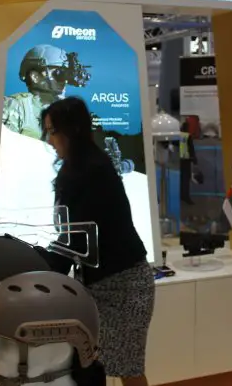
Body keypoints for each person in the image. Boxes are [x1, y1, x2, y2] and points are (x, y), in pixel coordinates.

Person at [36, 96, 155, 386]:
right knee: (91, 366)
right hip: (97, 285)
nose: (50, 140)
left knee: (127, 367)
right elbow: (72, 234)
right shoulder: (77, 169)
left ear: (72, 130)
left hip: (124, 285)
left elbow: (78, 236)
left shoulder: (93, 171)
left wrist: (43, 271)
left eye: (52, 131)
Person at [2, 45, 91, 140]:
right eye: (58, 73)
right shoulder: (15, 106)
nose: (63, 82)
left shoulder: (68, 114)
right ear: (35, 77)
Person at [180, 120, 197, 204]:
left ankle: (181, 195)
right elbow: (191, 149)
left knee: (180, 178)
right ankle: (186, 197)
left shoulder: (178, 135)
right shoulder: (188, 136)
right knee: (186, 179)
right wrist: (194, 160)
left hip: (178, 160)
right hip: (186, 160)